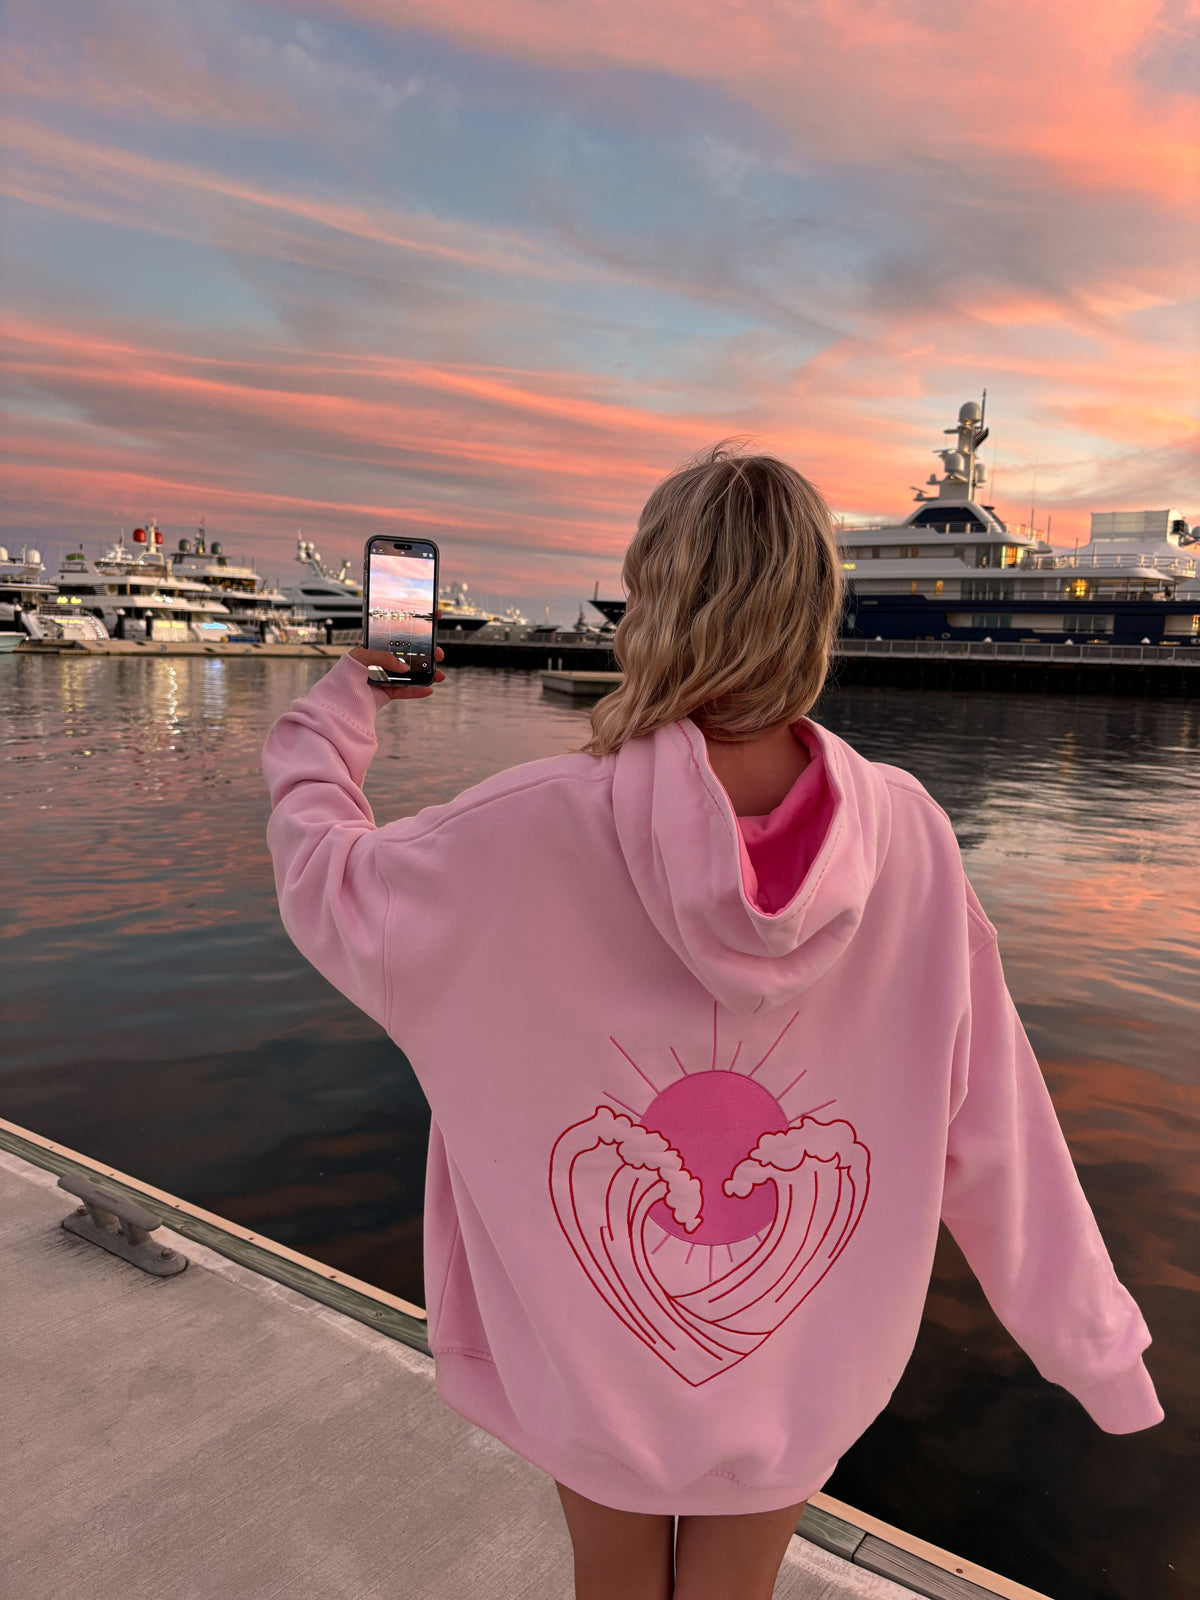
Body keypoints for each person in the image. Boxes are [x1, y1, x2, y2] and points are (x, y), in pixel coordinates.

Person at [261, 445, 1163, 1600]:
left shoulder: (518, 830)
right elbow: (996, 1126)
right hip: (803, 1364)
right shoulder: (911, 840)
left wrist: (344, 706)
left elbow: (322, 872)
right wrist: (1094, 1347)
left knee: (615, 1581)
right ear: (814, 615)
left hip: (586, 1353)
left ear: (653, 602)